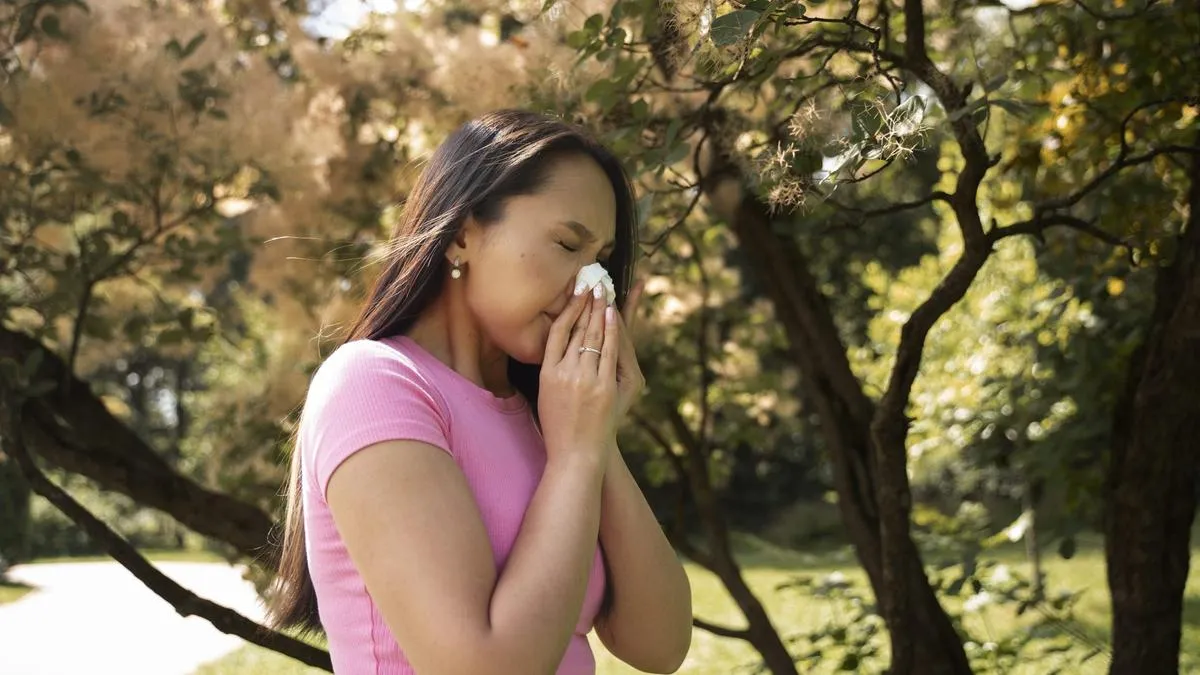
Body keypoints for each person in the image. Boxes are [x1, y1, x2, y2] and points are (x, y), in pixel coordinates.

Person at [267, 109, 693, 674]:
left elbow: (659, 644)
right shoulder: (374, 385)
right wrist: (575, 457)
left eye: (601, 263)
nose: (591, 289)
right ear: (463, 234)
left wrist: (597, 439)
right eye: (568, 245)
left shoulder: (550, 419)